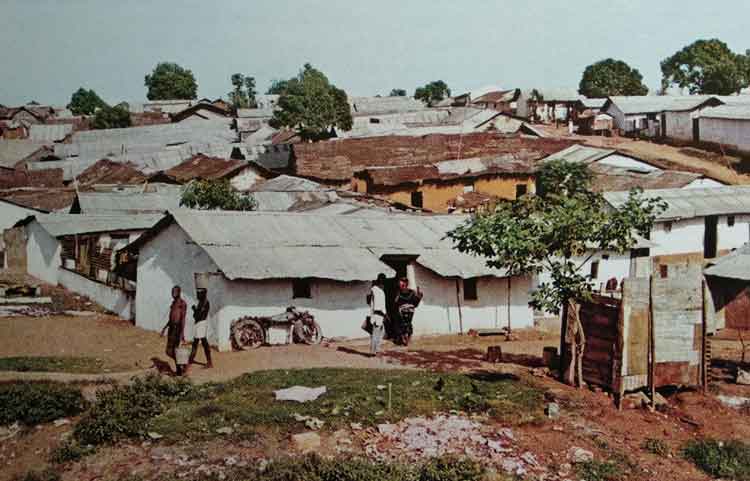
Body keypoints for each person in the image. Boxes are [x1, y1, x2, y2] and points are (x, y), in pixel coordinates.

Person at [161, 285, 187, 376]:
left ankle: (180, 370)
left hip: (177, 329)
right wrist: (164, 328)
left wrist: (182, 334)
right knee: (168, 351)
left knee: (175, 350)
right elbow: (171, 318)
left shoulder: (182, 304)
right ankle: (181, 365)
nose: (172, 294)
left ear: (179, 292)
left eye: (174, 292)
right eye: (172, 292)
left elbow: (183, 319)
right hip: (171, 328)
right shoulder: (173, 303)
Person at [187, 288, 213, 371]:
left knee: (203, 342)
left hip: (201, 323)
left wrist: (195, 309)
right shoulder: (201, 303)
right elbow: (196, 316)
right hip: (199, 324)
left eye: (199, 294)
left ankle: (209, 362)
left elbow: (199, 316)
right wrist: (195, 310)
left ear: (203, 294)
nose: (197, 296)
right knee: (196, 342)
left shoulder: (205, 303)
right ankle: (191, 359)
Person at [394, 277, 423, 346]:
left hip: (406, 311)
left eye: (401, 283)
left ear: (405, 284)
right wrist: (419, 297)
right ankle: (406, 338)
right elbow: (415, 304)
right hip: (407, 311)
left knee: (404, 324)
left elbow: (396, 303)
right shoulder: (410, 292)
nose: (400, 285)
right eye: (399, 284)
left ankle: (405, 339)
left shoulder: (407, 293)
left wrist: (419, 297)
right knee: (406, 324)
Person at [368, 273, 388, 356]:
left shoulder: (379, 290)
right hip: (377, 315)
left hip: (381, 315)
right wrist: (385, 315)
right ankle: (373, 351)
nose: (383, 281)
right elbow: (377, 307)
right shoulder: (376, 290)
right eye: (382, 279)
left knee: (381, 333)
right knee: (375, 334)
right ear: (379, 280)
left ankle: (376, 350)